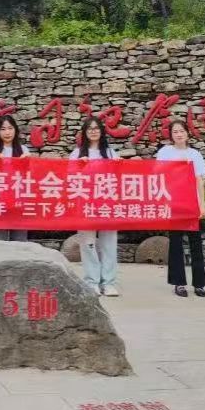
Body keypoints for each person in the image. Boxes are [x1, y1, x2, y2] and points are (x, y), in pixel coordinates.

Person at [156, 119, 205, 298]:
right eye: (175, 132)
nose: (179, 134)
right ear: (171, 135)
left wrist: (202, 205)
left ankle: (199, 284)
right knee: (176, 243)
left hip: (192, 203)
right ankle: (178, 283)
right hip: (174, 203)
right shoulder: (165, 152)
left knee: (196, 243)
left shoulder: (195, 154)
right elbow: (159, 175)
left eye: (181, 131)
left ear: (187, 133)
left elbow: (199, 181)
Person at [69, 116, 121, 297]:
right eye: (89, 128)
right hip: (86, 204)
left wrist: (118, 166)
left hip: (107, 203)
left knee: (109, 243)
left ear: (101, 131)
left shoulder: (111, 153)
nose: (93, 131)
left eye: (96, 128)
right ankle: (92, 281)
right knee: (88, 243)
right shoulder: (76, 154)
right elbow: (70, 178)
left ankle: (109, 282)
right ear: (84, 132)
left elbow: (121, 177)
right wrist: (79, 166)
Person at [0, 115, 30, 242]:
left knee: (20, 241)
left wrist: (26, 163)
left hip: (19, 202)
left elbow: (30, 176)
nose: (7, 132)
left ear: (15, 130)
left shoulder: (24, 150)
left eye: (10, 128)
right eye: (3, 129)